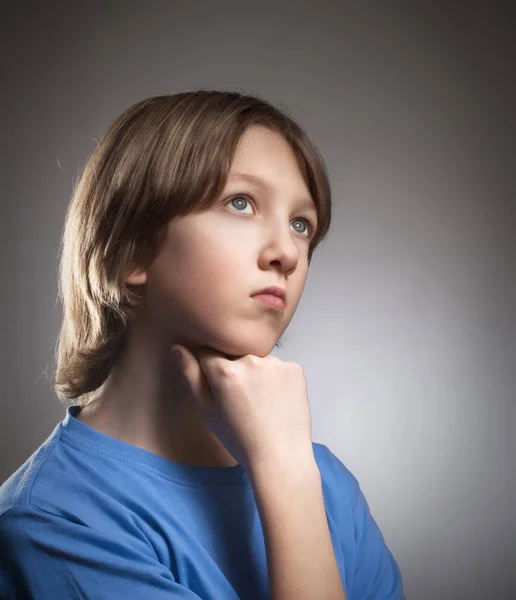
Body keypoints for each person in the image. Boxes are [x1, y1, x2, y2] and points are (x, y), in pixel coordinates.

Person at [0, 90, 405, 599]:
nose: (286, 252)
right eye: (241, 203)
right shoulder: (55, 524)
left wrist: (286, 468)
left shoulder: (322, 483)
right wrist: (283, 470)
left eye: (301, 224)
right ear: (130, 249)